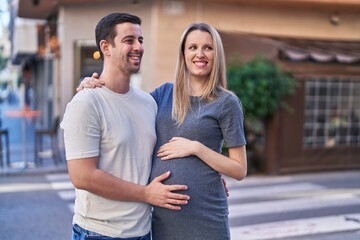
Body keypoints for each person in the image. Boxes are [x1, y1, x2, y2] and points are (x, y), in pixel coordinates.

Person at [80, 22, 247, 239]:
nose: (200, 54)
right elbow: (125, 105)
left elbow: (239, 169)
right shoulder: (163, 94)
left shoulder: (226, 102)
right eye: (193, 47)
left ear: (217, 54)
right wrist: (93, 84)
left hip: (205, 215)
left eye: (208, 47)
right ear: (183, 53)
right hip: (162, 218)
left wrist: (196, 148)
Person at [60, 13, 190, 240]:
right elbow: (83, 176)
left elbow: (166, 150)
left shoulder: (148, 102)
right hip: (99, 233)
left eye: (140, 41)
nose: (138, 47)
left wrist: (208, 175)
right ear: (105, 47)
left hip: (144, 231)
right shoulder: (86, 102)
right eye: (129, 40)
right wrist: (146, 194)